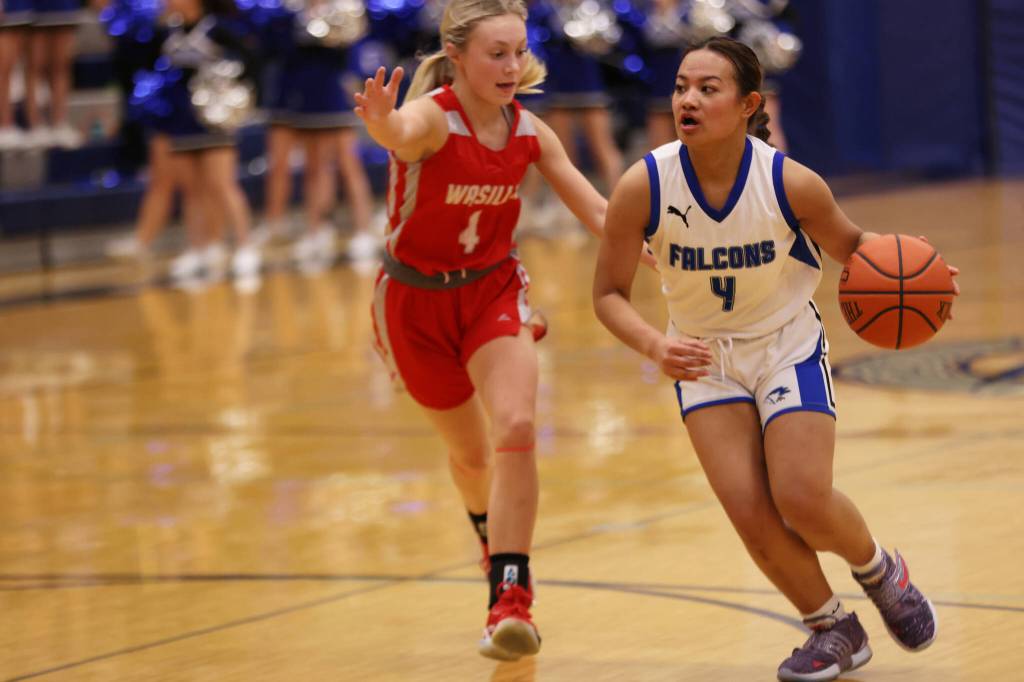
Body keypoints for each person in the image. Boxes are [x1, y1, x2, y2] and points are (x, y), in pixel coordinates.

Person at [592, 36, 957, 682]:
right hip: (703, 357)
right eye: (681, 87)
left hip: (785, 343)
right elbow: (608, 295)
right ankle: (833, 628)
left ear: (748, 104)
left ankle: (880, 571)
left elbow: (854, 246)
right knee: (749, 512)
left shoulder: (788, 182)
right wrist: (655, 344)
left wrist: (916, 272)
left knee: (801, 498)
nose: (689, 100)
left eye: (708, 89)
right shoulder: (642, 185)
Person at [353, 0, 629, 662]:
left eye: (519, 52)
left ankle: (511, 597)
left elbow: (593, 203)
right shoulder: (433, 120)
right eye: (496, 54)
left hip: (493, 294)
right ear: (458, 60)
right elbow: (402, 132)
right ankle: (488, 536)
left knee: (516, 429)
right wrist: (385, 126)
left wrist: (644, 240)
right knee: (472, 458)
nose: (512, 67)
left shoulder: (530, 129)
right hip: (413, 306)